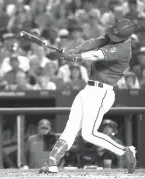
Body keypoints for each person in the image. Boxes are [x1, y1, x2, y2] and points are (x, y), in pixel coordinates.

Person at [39, 19, 136, 174]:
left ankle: (125, 151)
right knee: (71, 127)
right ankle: (52, 162)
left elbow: (95, 54)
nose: (112, 37)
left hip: (102, 93)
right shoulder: (114, 35)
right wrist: (74, 51)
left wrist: (76, 57)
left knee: (88, 133)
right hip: (88, 89)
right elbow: (93, 43)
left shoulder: (123, 49)